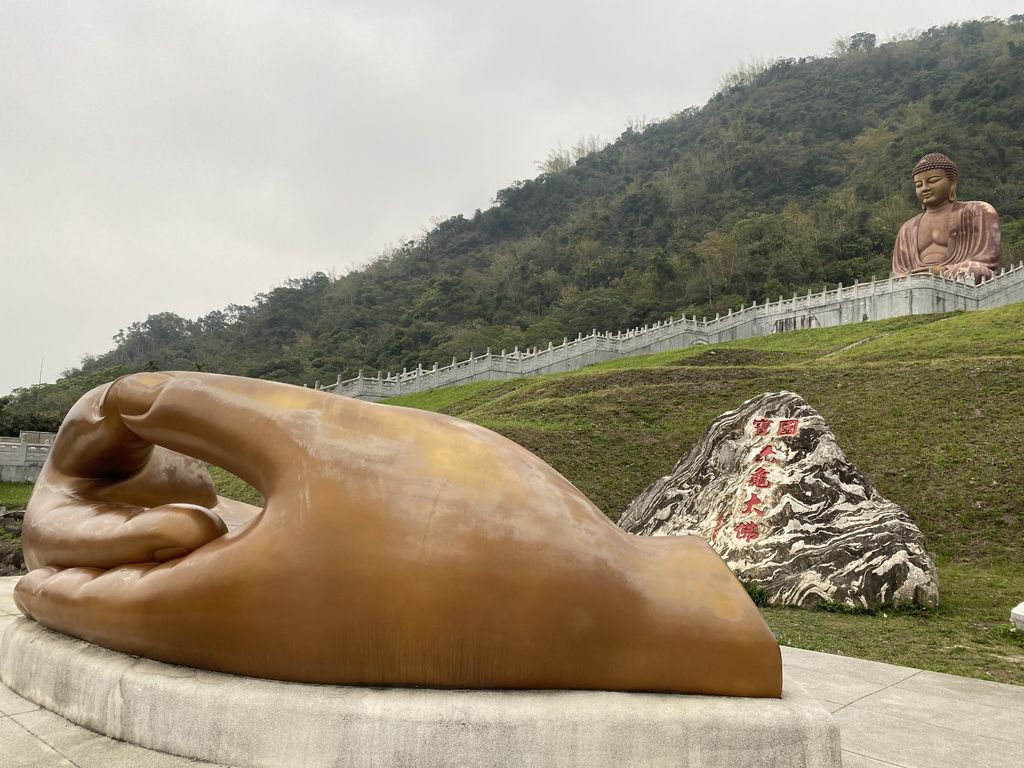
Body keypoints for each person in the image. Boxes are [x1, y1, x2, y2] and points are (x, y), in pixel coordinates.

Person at [891, 153, 1001, 280]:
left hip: (958, 274)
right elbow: (899, 272)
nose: (925, 188)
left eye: (933, 181)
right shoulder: (907, 229)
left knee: (974, 270)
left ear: (952, 182)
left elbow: (985, 260)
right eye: (918, 185)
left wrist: (942, 271)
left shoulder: (978, 211)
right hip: (918, 280)